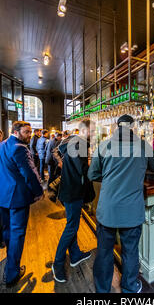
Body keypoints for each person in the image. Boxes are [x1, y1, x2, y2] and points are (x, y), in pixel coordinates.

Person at [88, 115, 154, 293]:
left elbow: (92, 174)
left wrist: (111, 177)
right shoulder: (143, 146)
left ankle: (102, 289)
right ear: (133, 127)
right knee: (130, 251)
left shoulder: (104, 145)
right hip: (132, 211)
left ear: (116, 127)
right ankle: (130, 287)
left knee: (104, 252)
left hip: (108, 210)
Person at [0, 121, 44, 287]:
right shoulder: (20, 148)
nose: (29, 135)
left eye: (30, 132)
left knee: (7, 230)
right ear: (16, 131)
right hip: (16, 196)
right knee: (18, 233)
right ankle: (12, 272)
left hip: (1, 194)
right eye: (26, 132)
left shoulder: (1, 146)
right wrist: (39, 191)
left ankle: (10, 259)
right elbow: (29, 172)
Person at [51, 120, 94, 283]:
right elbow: (82, 170)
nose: (94, 133)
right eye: (92, 130)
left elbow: (60, 155)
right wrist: (95, 164)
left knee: (73, 223)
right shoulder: (80, 144)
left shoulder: (71, 140)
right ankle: (58, 263)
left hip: (69, 189)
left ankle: (75, 254)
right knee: (71, 227)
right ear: (85, 130)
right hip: (73, 191)